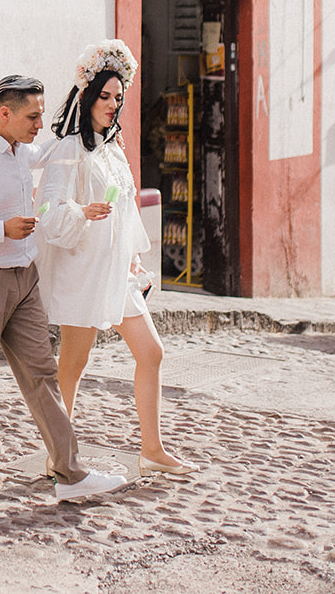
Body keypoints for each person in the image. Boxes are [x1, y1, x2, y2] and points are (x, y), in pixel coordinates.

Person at [0, 74, 124, 509]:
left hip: (22, 277)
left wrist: (88, 96)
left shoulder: (21, 148)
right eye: (32, 116)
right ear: (5, 113)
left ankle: (69, 473)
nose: (39, 124)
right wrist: (0, 230)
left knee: (42, 374)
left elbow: (57, 145)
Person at [35, 40, 197, 478]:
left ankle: (152, 448)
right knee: (72, 363)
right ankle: (59, 455)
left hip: (116, 272)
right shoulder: (68, 149)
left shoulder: (112, 149)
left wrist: (133, 262)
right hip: (83, 271)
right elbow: (47, 213)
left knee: (152, 352)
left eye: (118, 98)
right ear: (87, 97)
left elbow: (126, 210)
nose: (111, 104)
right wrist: (82, 214)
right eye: (104, 96)